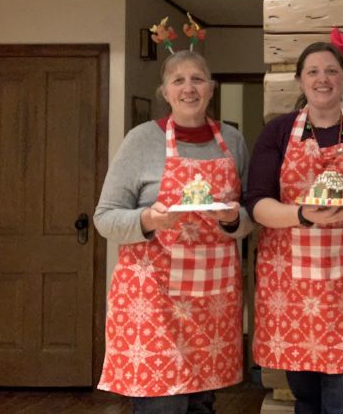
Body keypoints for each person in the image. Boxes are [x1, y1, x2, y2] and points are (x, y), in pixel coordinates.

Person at [94, 50, 252, 414]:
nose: (188, 88)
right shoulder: (140, 140)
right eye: (177, 80)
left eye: (197, 78)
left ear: (211, 88)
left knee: (201, 403)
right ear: (164, 92)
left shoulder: (233, 140)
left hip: (212, 300)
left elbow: (248, 217)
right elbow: (105, 217)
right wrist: (148, 220)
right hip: (153, 298)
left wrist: (231, 219)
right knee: (162, 404)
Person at [245, 41, 343, 414]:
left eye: (331, 70)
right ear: (299, 80)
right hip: (291, 288)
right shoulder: (278, 133)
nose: (322, 78)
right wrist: (304, 215)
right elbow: (258, 204)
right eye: (313, 71)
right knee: (306, 394)